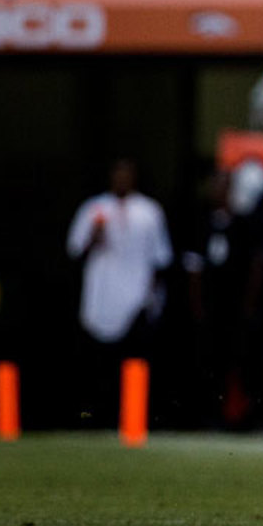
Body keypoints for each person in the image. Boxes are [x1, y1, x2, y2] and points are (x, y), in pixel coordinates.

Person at [66, 158, 172, 426]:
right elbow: (75, 251)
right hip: (101, 299)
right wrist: (95, 235)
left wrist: (154, 299)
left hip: (136, 298)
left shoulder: (149, 211)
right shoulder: (94, 209)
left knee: (134, 363)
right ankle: (94, 420)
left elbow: (160, 258)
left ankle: (133, 419)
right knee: (98, 367)